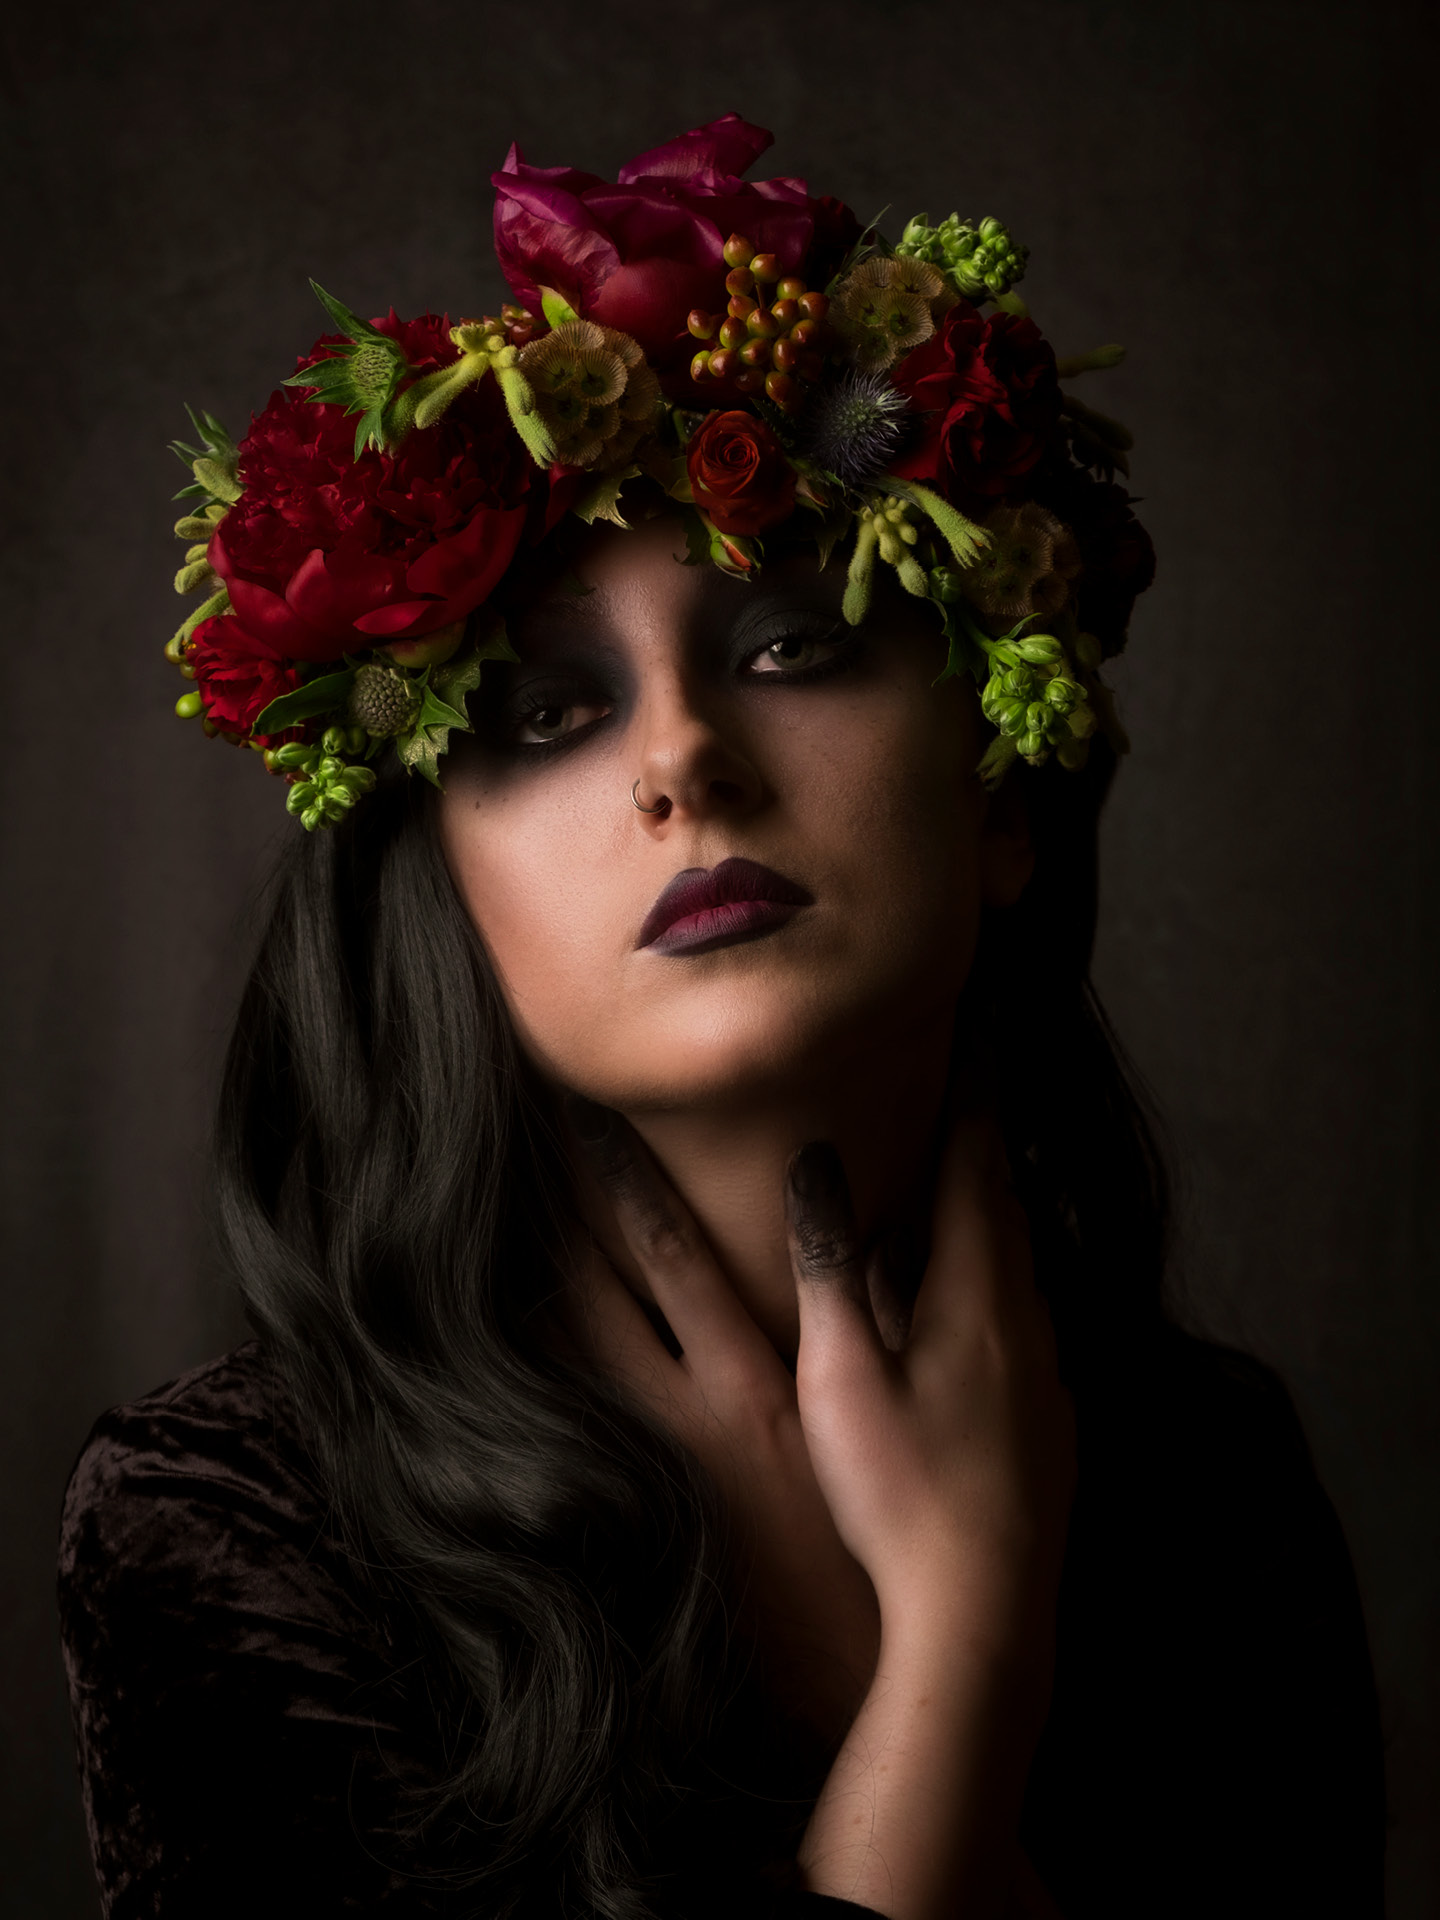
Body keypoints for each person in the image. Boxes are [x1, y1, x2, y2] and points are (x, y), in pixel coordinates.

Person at [57, 116, 1385, 1919]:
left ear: (999, 801)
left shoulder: (1205, 1486)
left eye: (785, 644)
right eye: (546, 715)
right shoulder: (226, 1526)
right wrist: (957, 1672)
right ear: (446, 891)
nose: (681, 757)